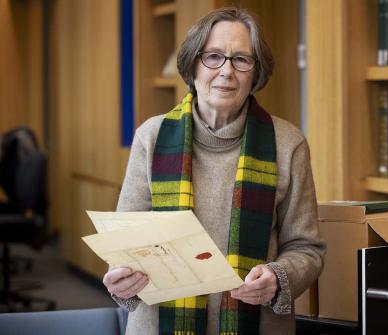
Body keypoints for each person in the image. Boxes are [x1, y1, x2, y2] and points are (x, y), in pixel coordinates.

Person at [102, 7, 325, 335]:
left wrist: (279, 278)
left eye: (241, 60)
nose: (226, 71)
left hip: (257, 325)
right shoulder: (151, 137)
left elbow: (307, 248)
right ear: (192, 65)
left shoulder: (288, 144)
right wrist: (122, 277)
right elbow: (124, 246)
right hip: (157, 325)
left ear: (256, 73)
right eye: (213, 57)